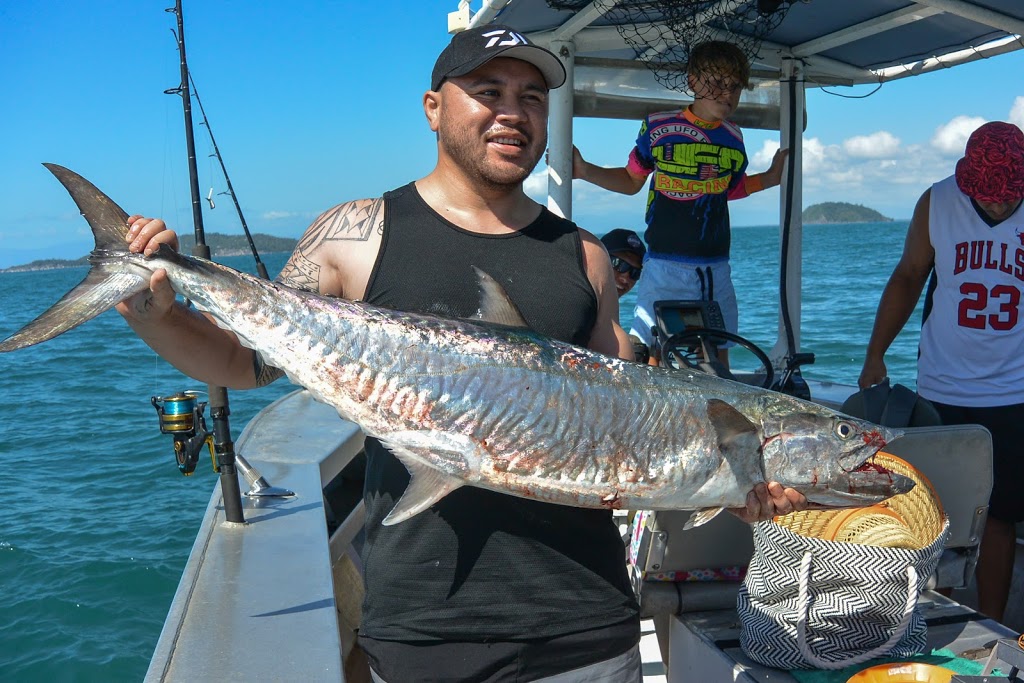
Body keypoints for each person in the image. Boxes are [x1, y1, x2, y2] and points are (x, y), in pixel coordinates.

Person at [119, 26, 807, 682]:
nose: (513, 112)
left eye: (531, 98)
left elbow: (627, 417)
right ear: (433, 106)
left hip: (587, 622)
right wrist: (157, 314)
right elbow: (245, 362)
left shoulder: (586, 256)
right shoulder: (354, 234)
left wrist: (726, 480)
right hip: (425, 627)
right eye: (489, 90)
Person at [858, 121, 1024, 624]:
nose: (995, 205)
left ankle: (994, 623)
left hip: (1015, 390)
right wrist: (874, 354)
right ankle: (909, 618)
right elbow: (909, 276)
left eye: (1007, 197)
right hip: (942, 383)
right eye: (986, 196)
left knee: (999, 516)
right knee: (924, 509)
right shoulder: (937, 202)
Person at [572, 40, 788, 366]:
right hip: (664, 265)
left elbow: (728, 189)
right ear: (692, 81)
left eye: (734, 87)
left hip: (716, 266)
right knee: (647, 350)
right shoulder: (658, 127)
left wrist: (769, 178)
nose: (726, 94)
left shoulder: (734, 137)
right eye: (717, 83)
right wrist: (584, 171)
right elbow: (632, 181)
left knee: (717, 352)